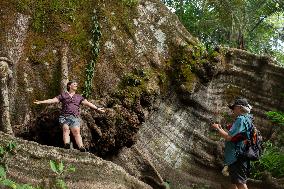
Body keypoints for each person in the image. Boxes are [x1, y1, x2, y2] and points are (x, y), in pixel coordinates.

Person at [34, 80, 105, 152]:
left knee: (76, 131)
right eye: (74, 84)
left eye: (76, 84)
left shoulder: (79, 97)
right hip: (64, 116)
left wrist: (97, 108)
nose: (76, 85)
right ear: (69, 86)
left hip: (74, 117)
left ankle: (81, 147)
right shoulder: (63, 95)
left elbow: (88, 103)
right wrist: (41, 101)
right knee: (65, 129)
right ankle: (67, 145)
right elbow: (53, 100)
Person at [211, 98, 253, 189]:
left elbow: (229, 137)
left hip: (237, 157)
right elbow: (232, 136)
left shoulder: (240, 119)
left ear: (239, 108)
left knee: (240, 182)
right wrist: (221, 129)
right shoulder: (247, 118)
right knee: (234, 181)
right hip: (237, 156)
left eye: (234, 108)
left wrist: (217, 129)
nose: (232, 110)